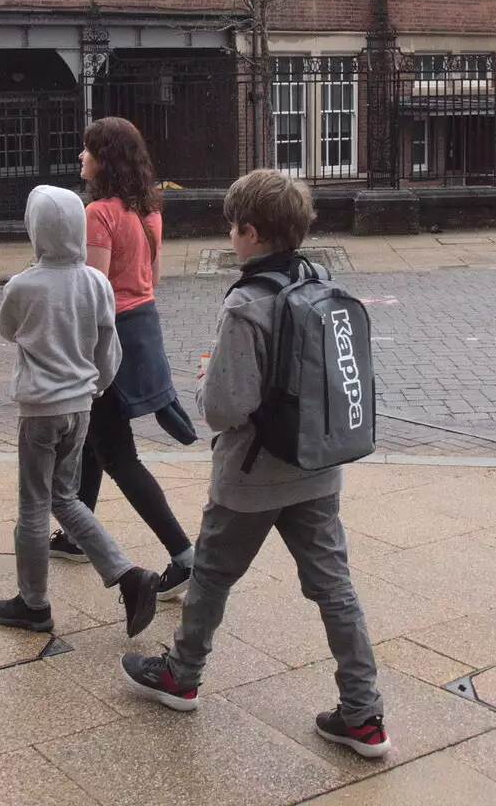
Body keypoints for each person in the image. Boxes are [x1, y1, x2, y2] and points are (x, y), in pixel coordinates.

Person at [120, 169, 391, 759]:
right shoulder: (320, 282)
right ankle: (364, 713)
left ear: (249, 232)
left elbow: (224, 408)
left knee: (212, 576)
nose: (231, 239)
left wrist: (203, 384)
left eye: (233, 229)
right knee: (334, 587)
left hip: (251, 477)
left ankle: (181, 676)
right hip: (318, 466)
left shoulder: (247, 304)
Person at [0, 183, 160, 638]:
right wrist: (95, 387)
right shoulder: (95, 281)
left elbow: (7, 330)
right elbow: (110, 348)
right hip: (81, 407)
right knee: (65, 499)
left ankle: (34, 603)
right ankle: (128, 575)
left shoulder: (24, 286)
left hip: (40, 409)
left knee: (33, 505)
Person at [50, 117, 196, 601]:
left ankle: (185, 556)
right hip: (141, 330)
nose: (80, 157)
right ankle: (76, 534)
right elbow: (149, 277)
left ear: (104, 158)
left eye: (88, 150)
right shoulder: (149, 209)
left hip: (107, 340)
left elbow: (93, 291)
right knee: (97, 436)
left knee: (119, 456)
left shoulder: (99, 214)